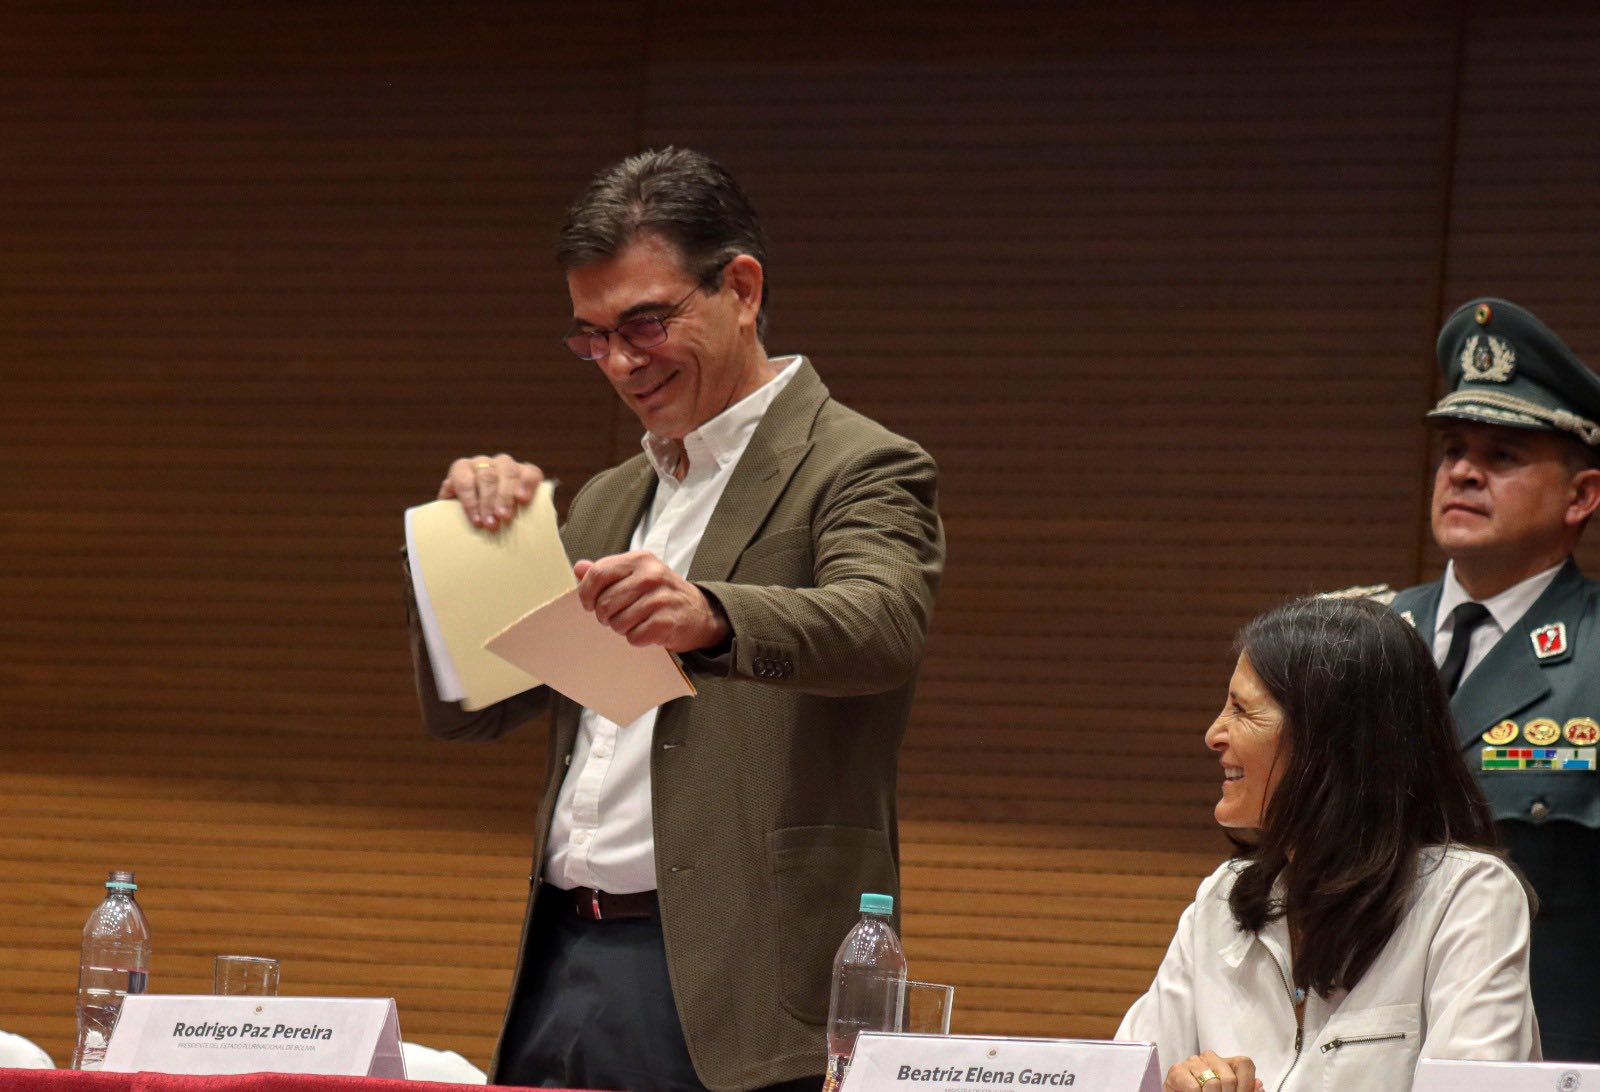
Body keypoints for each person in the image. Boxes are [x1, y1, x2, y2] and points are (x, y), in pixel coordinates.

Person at [405, 147, 944, 1092]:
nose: (621, 363)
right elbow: (478, 709)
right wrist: (465, 551)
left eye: (645, 323)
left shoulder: (859, 464)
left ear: (741, 289)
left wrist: (713, 616)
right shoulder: (613, 496)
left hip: (743, 978)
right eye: (592, 337)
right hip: (568, 954)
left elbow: (882, 624)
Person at [1117, 596, 1538, 1092]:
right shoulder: (1222, 898)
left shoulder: (1467, 896)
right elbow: (1121, 1076)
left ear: (1329, 738)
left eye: (1242, 711)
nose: (1214, 734)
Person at [1361, 298, 1600, 1061]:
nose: (1463, 471)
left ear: (1581, 497)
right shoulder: (1356, 640)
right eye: (1454, 450)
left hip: (1542, 1060)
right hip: (1356, 1056)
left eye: (1502, 455)